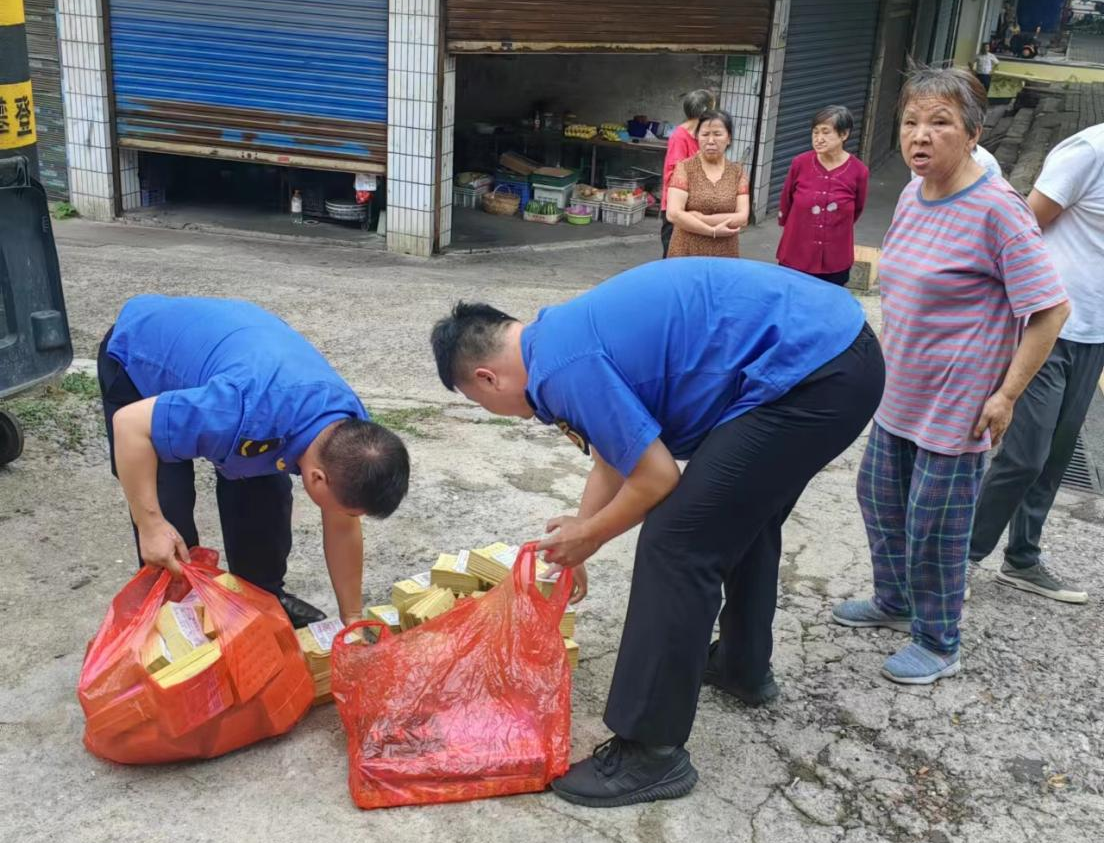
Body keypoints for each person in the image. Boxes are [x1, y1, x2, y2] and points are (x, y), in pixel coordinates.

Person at [430, 258, 885, 808]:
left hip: (812, 372)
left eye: (485, 405)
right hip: (834, 355)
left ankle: (651, 751)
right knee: (737, 509)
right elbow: (614, 457)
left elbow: (656, 477)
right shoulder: (556, 340)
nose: (501, 413)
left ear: (486, 377)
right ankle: (742, 665)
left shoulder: (561, 367)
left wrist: (593, 536)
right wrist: (579, 538)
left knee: (676, 542)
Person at [831, 66, 1069, 685]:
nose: (920, 136)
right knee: (879, 501)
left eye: (939, 123)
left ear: (972, 133)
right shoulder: (914, 193)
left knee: (935, 527)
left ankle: (939, 640)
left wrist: (1008, 394)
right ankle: (894, 601)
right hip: (900, 391)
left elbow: (1050, 310)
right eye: (910, 122)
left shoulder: (998, 210)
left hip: (959, 404)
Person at [98, 295, 410, 628]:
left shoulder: (351, 432)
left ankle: (260, 599)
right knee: (168, 518)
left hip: (242, 361)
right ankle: (181, 621)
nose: (346, 518)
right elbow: (130, 426)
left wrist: (352, 619)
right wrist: (150, 524)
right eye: (346, 510)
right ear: (318, 478)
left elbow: (343, 528)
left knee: (264, 502)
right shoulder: (236, 409)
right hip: (141, 359)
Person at [968, 122, 1104, 604]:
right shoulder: (1089, 151)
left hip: (1094, 334)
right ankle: (961, 557)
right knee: (1024, 455)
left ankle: (1022, 558)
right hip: (1048, 325)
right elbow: (1024, 227)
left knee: (1057, 456)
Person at [776, 105, 870, 286]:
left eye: (826, 132)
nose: (818, 139)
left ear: (844, 135)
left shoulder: (859, 171)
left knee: (828, 307)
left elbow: (856, 210)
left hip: (835, 259)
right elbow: (786, 202)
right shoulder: (800, 163)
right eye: (815, 132)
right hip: (796, 253)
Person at [664, 109, 750, 258]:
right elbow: (673, 214)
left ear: (728, 138)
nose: (711, 141)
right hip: (687, 251)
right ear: (697, 137)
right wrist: (712, 231)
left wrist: (701, 218)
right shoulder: (684, 168)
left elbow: (742, 217)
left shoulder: (738, 172)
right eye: (705, 134)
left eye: (717, 134)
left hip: (725, 252)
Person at [660, 89, 715, 258]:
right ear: (705, 112)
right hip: (679, 207)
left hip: (698, 206)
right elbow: (675, 173)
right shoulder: (679, 137)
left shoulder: (701, 135)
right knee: (674, 257)